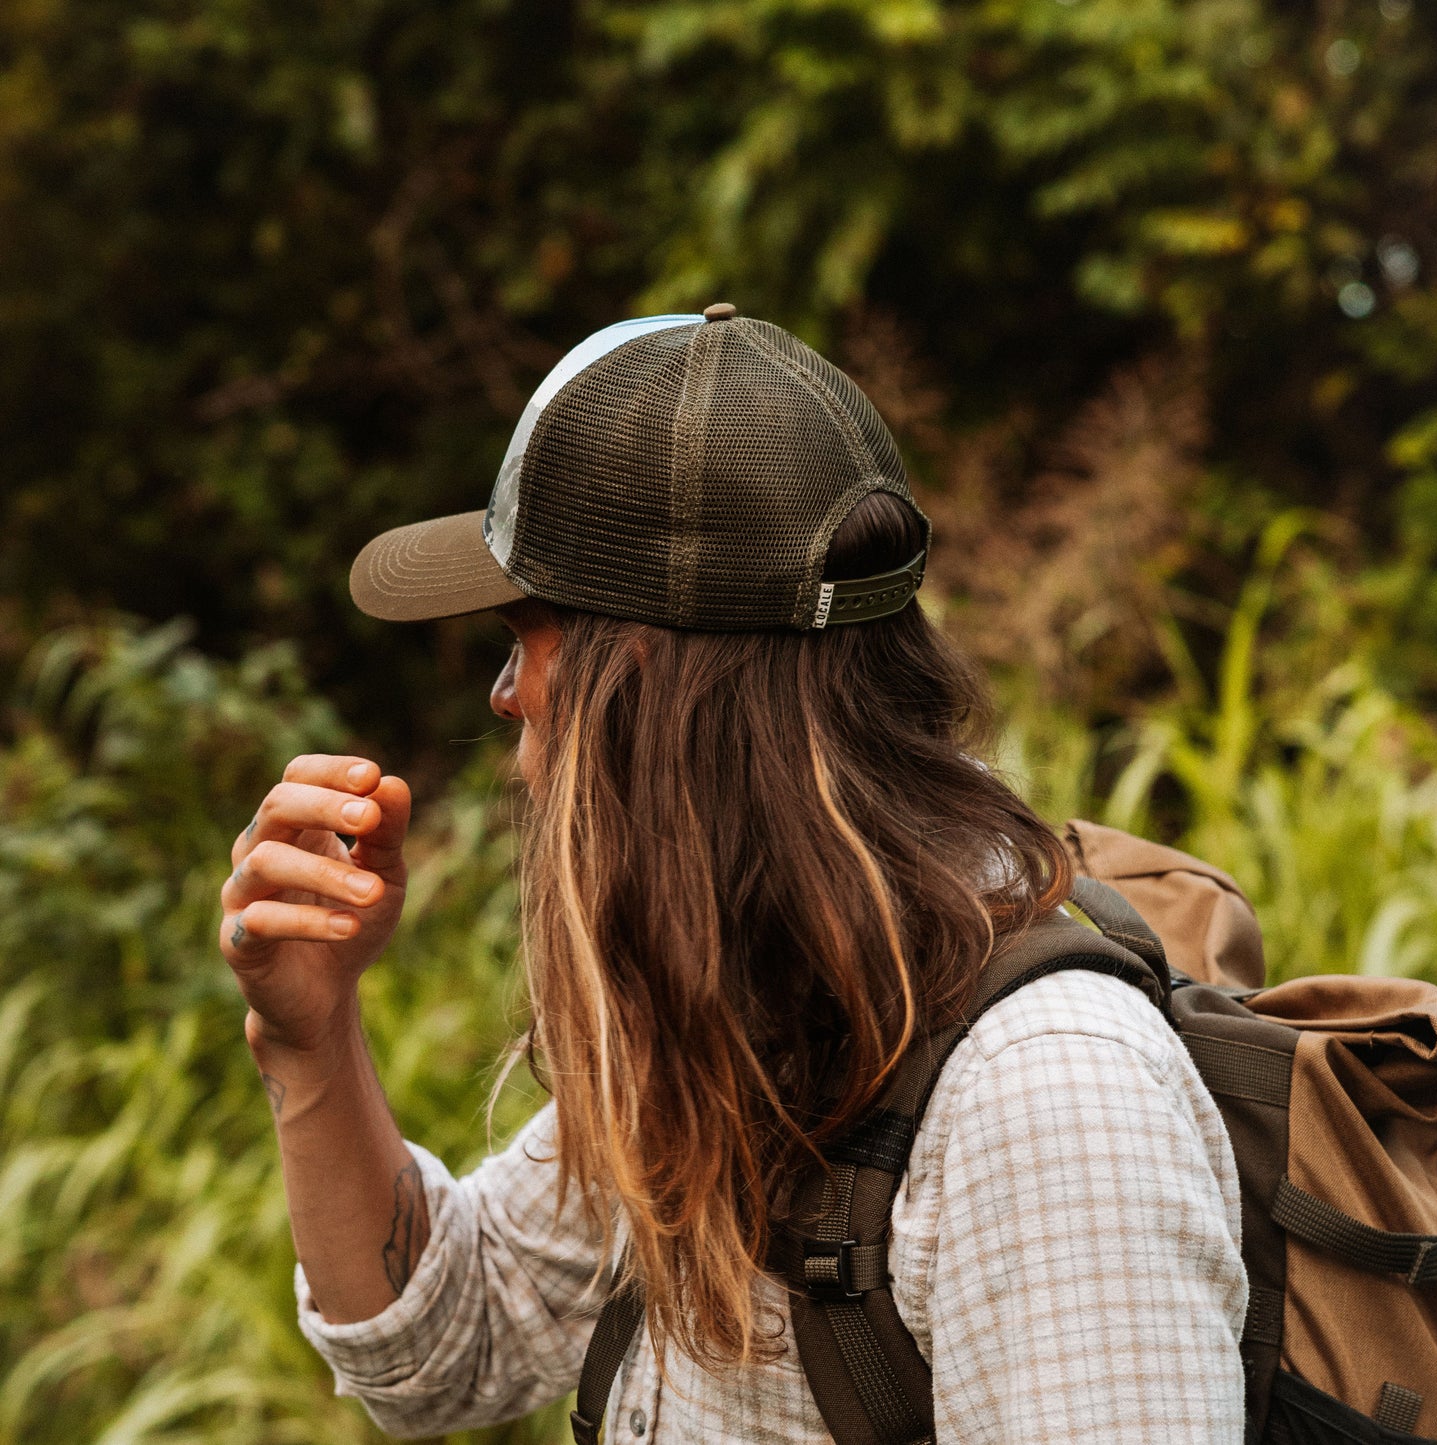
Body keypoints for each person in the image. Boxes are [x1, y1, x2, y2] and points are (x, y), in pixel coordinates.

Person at [219, 307, 1248, 1442]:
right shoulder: (750, 999)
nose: (505, 691)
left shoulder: (1045, 1098)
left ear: (643, 678)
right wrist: (310, 1038)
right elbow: (441, 1350)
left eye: (525, 633)